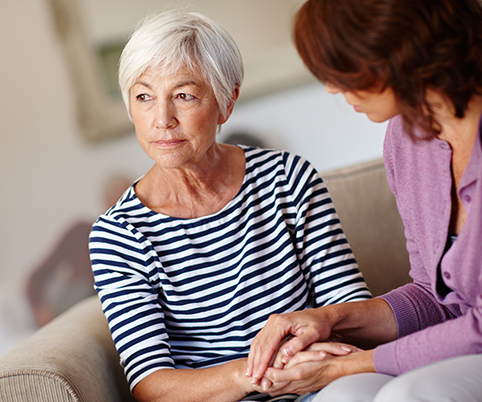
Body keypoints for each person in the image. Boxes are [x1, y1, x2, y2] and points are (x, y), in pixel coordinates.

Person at [88, 9, 371, 402]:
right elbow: (154, 387)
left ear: (227, 101)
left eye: (184, 95)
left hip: (323, 387)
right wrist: (258, 373)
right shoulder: (119, 234)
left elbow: (352, 314)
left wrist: (309, 364)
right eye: (144, 97)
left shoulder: (288, 180)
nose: (162, 119)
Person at [245, 0, 482, 400]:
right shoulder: (407, 141)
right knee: (343, 395)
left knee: (407, 394)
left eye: (343, 69)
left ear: (398, 50)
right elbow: (435, 296)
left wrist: (345, 364)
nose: (333, 88)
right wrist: (330, 318)